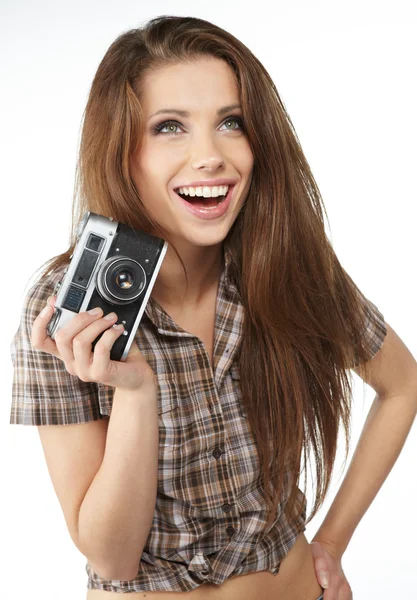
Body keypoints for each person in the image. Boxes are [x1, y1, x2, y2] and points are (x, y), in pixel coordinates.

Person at [9, 15, 417, 600]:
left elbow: (403, 385)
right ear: (123, 151)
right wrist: (135, 392)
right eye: (170, 127)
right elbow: (113, 557)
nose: (211, 157)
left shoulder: (286, 264)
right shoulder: (65, 310)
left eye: (231, 123)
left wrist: (331, 542)